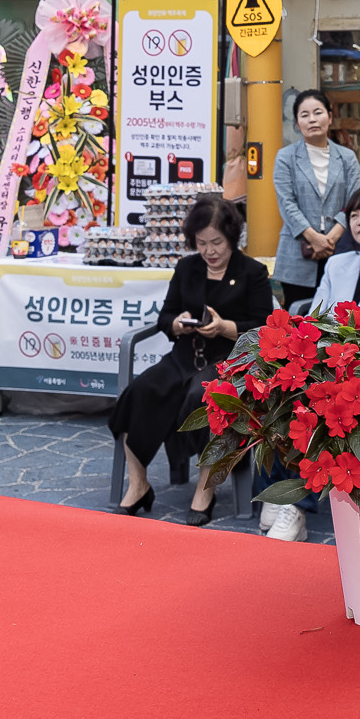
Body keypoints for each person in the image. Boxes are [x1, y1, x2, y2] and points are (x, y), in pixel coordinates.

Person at [110, 195, 272, 524]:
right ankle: (139, 483)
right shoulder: (187, 267)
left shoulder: (252, 272)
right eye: (201, 243)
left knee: (204, 396)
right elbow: (165, 315)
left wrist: (226, 328)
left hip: (230, 360)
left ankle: (205, 488)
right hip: (185, 356)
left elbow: (263, 326)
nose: (210, 251)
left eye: (217, 243)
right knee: (138, 393)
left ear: (232, 238)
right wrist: (177, 323)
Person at [272, 88, 359, 309]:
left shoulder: (347, 157)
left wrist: (331, 237)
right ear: (297, 122)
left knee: (341, 315)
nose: (312, 119)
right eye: (305, 115)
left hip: (340, 248)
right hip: (297, 252)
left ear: (330, 117)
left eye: (318, 112)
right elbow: (286, 203)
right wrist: (314, 237)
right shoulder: (286, 157)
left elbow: (354, 201)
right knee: (299, 318)